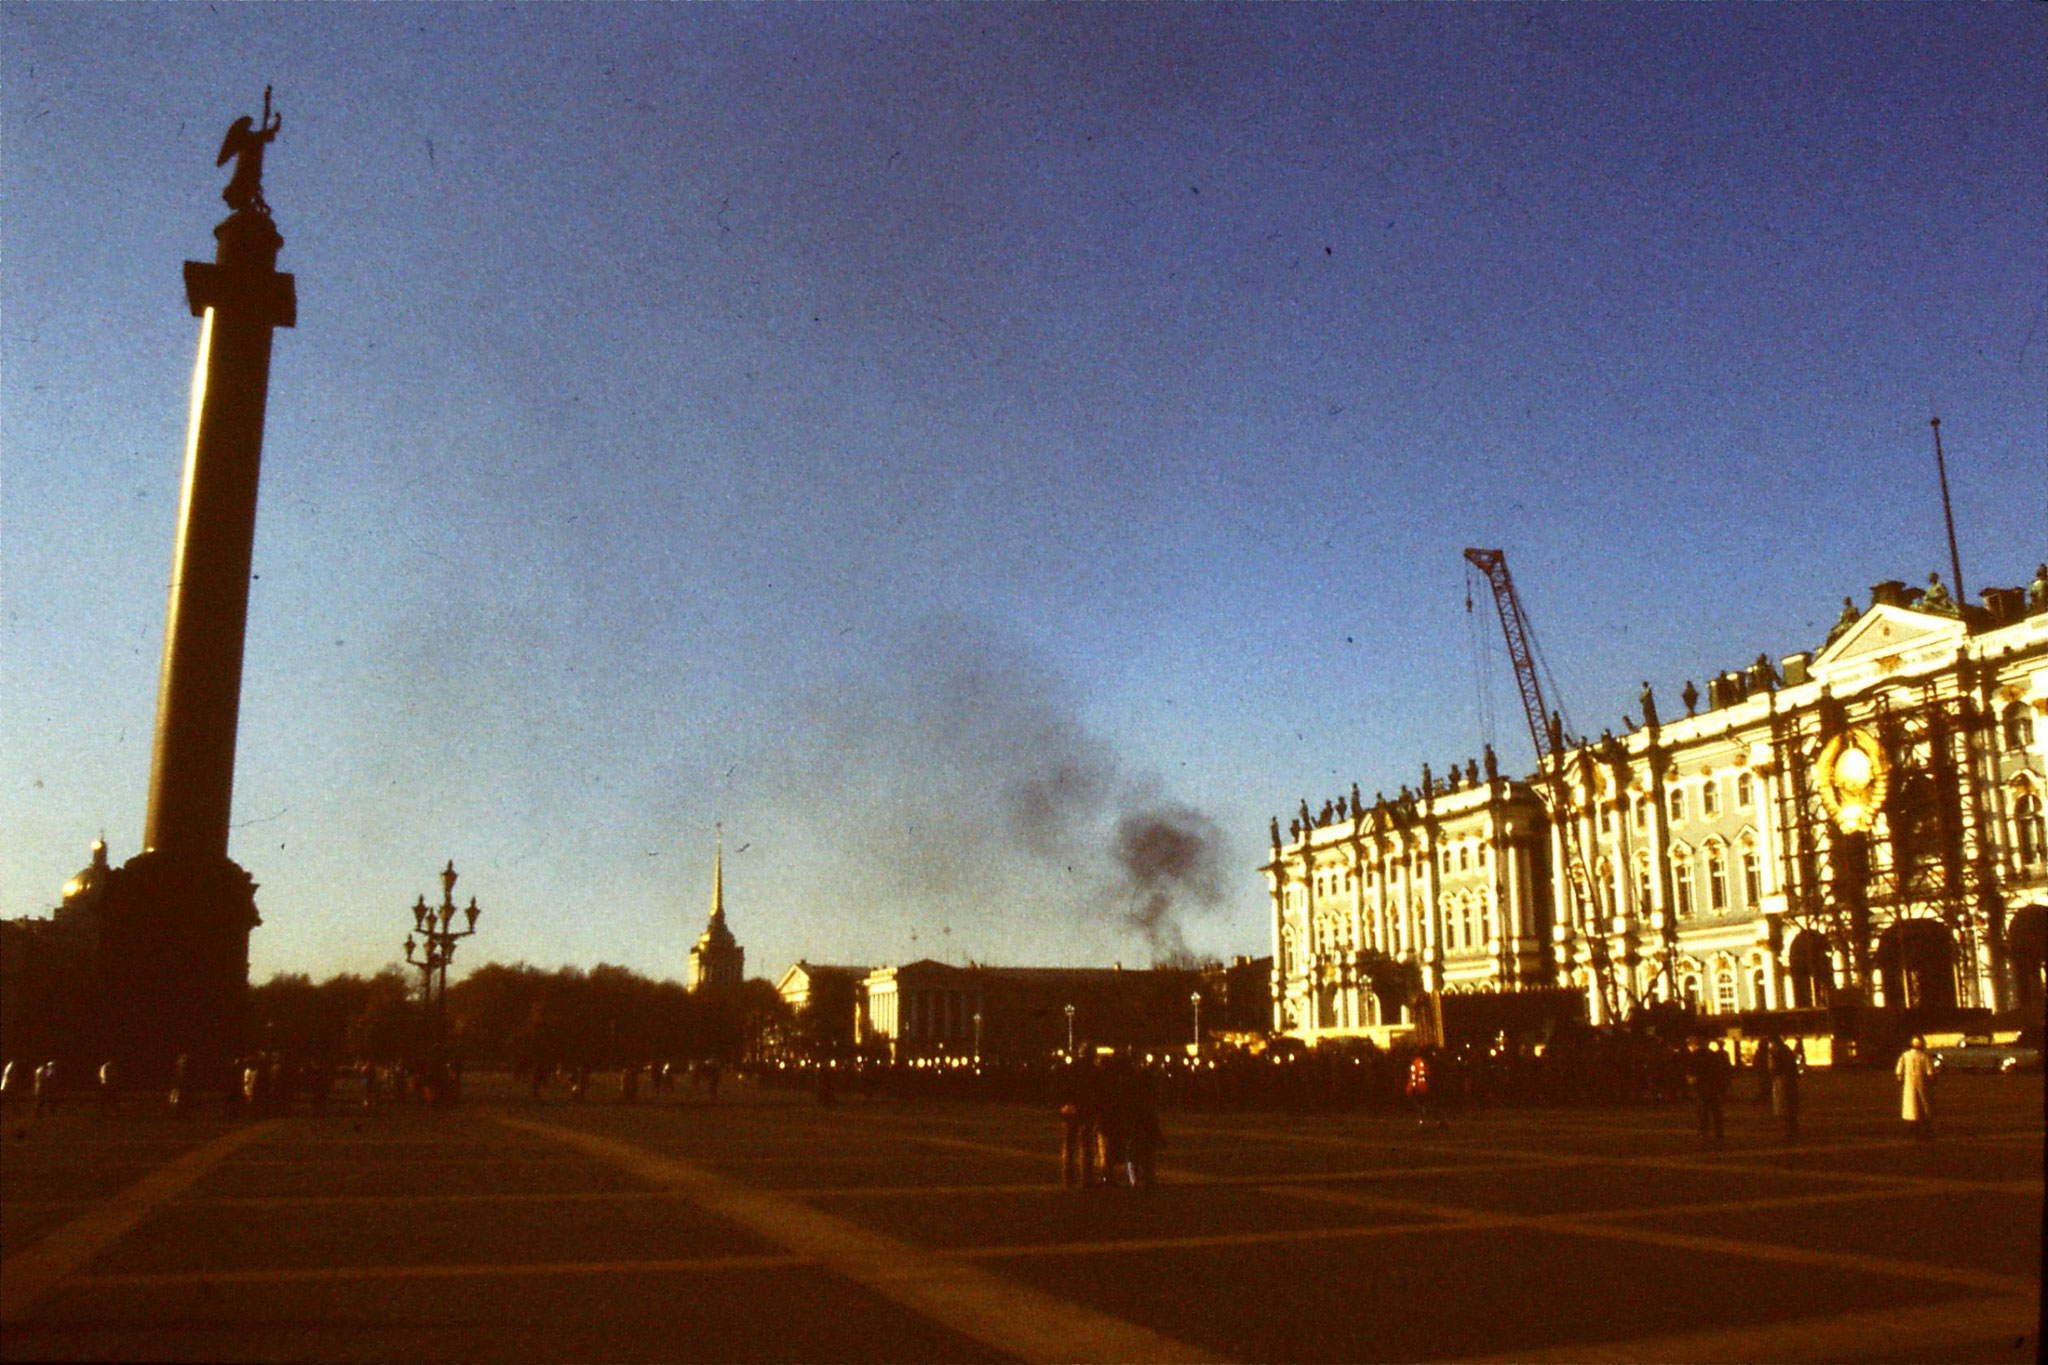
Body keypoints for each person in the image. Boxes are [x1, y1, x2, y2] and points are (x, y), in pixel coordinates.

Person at [1058, 1052, 1100, 1190]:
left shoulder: (1071, 1069)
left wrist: (1064, 1103)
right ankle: (1086, 1178)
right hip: (1085, 1109)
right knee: (1085, 1145)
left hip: (1071, 1109)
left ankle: (1068, 1178)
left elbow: (1062, 1087)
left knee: (1069, 1145)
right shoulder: (1093, 1070)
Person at [1896, 1034, 1935, 1140]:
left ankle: (1912, 1128)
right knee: (1922, 1105)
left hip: (1908, 1084)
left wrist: (1900, 1076)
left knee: (1910, 1106)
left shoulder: (1905, 1055)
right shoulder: (1923, 1056)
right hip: (1921, 1084)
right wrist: (1932, 1079)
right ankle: (1924, 1129)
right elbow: (1929, 1071)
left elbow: (1899, 1070)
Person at [1763, 1036, 1800, 1141]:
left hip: (1781, 1081)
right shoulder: (1787, 1050)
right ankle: (1792, 1129)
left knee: (1783, 1106)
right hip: (1790, 1080)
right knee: (1791, 1106)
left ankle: (1788, 1130)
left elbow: (1772, 1068)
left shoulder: (1775, 1052)